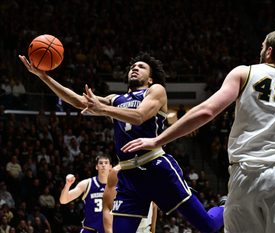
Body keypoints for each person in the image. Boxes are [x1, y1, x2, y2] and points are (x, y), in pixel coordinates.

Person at [122, 31, 275, 233]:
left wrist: (158, 140)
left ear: (269, 51)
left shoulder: (244, 73)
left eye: (262, 47)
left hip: (243, 174)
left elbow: (206, 111)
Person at [19, 52, 224, 233]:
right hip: (128, 176)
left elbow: (139, 116)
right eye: (133, 66)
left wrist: (102, 109)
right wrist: (44, 77)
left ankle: (226, 205)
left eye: (141, 67)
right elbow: (79, 101)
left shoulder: (155, 91)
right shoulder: (115, 99)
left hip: (155, 167)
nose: (135, 68)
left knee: (206, 226)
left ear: (150, 78)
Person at [59, 154, 113, 232]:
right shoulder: (87, 184)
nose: (103, 165)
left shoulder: (117, 185)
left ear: (110, 167)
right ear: (96, 167)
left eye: (106, 163)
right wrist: (67, 185)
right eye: (100, 163)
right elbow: (63, 200)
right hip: (89, 230)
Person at [103, 165, 157, 233]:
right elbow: (107, 207)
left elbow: (154, 203)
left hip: (145, 228)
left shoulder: (152, 168)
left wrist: (153, 229)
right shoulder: (116, 172)